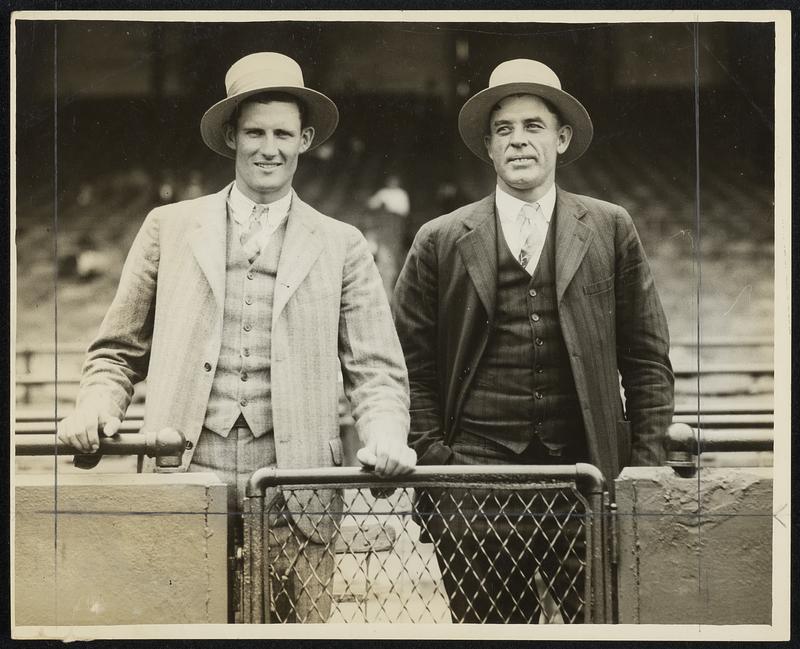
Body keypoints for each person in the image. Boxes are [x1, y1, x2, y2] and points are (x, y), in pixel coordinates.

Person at [58, 52, 416, 622]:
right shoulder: (167, 227)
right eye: (254, 132)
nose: (268, 148)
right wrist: (95, 406)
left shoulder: (343, 243)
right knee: (177, 630)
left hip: (300, 484)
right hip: (183, 470)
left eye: (282, 133)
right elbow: (116, 353)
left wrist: (386, 435)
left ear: (306, 139)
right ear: (231, 137)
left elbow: (377, 372)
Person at [392, 59, 674, 623]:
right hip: (472, 487)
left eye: (534, 126)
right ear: (489, 147)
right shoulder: (439, 239)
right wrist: (438, 470)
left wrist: (643, 473)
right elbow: (405, 367)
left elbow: (646, 360)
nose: (519, 141)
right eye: (504, 130)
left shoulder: (610, 227)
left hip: (588, 483)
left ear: (562, 139)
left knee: (599, 631)